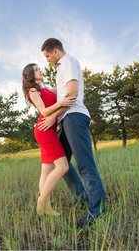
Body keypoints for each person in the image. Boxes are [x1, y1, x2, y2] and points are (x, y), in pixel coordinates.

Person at [38, 38, 106, 228]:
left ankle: (97, 212)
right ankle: (81, 198)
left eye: (47, 56)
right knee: (62, 161)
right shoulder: (62, 67)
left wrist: (53, 117)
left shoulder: (67, 62)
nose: (47, 60)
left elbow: (73, 93)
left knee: (86, 166)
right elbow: (61, 92)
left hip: (74, 117)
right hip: (68, 119)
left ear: (56, 51)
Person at [22, 63, 76, 216]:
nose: (40, 70)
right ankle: (41, 201)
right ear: (31, 75)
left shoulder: (43, 89)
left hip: (48, 129)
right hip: (44, 131)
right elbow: (44, 111)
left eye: (39, 68)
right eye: (36, 70)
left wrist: (73, 80)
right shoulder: (32, 91)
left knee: (46, 170)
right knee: (63, 167)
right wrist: (60, 104)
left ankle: (46, 208)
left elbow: (62, 89)